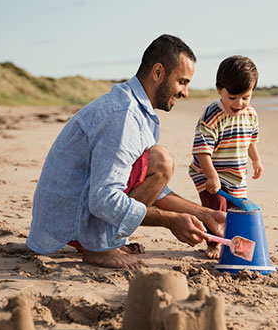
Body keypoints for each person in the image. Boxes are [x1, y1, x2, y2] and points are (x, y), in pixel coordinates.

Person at [26, 34, 226, 270]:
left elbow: (149, 186)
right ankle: (100, 248)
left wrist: (204, 214)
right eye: (182, 82)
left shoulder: (136, 109)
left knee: (156, 164)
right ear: (158, 72)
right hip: (66, 222)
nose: (185, 92)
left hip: (76, 213)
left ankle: (101, 240)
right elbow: (103, 199)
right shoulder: (123, 116)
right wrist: (169, 221)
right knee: (161, 161)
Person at [188, 55, 263, 259]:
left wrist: (256, 159)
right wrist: (211, 175)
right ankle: (213, 242)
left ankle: (232, 242)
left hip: (235, 174)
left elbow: (250, 141)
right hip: (208, 171)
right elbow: (202, 150)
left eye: (245, 97)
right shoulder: (212, 115)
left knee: (236, 211)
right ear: (220, 89)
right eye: (232, 97)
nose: (239, 103)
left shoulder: (250, 114)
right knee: (216, 207)